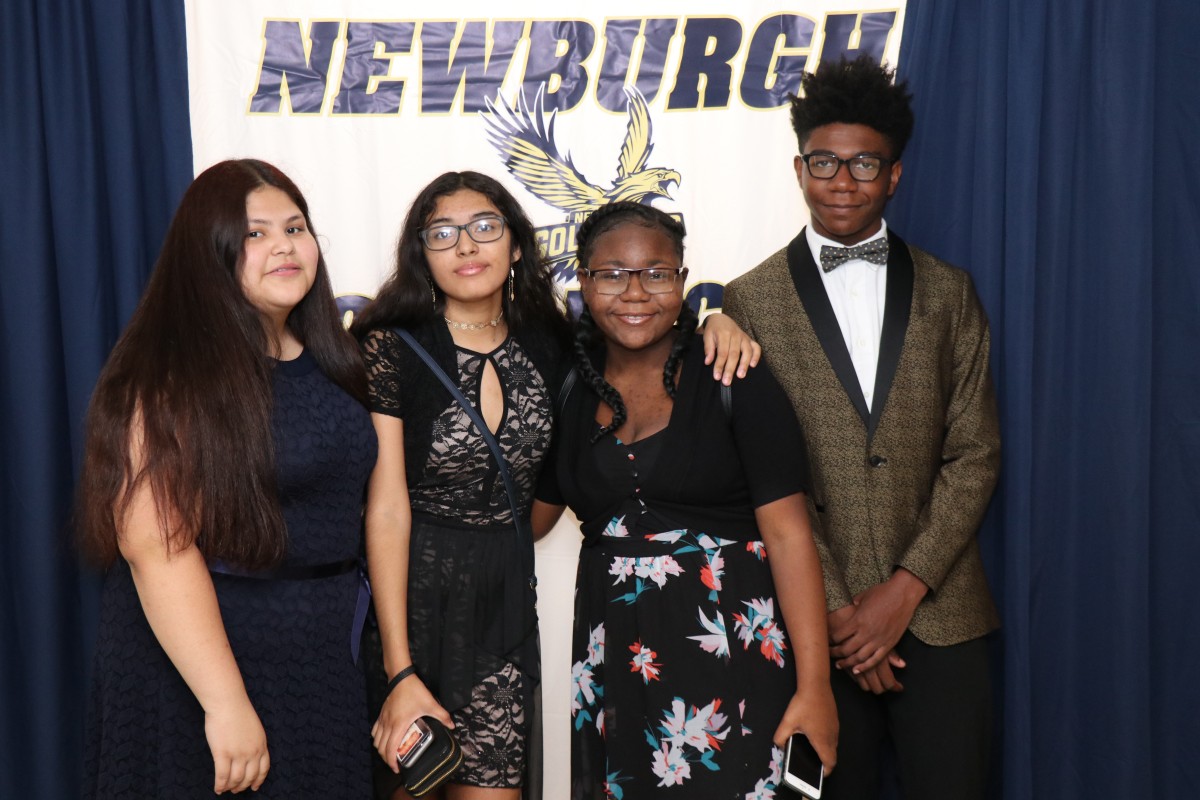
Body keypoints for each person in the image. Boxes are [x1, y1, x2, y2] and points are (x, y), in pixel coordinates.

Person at [351, 173, 758, 800]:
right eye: (443, 234)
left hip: (502, 612)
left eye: (485, 227)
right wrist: (398, 665)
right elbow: (385, 509)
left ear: (516, 245)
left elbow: (642, 331)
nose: (466, 246)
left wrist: (717, 322)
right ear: (421, 253)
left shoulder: (556, 349)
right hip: (409, 605)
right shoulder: (391, 349)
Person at [723, 56, 1002, 799]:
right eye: (825, 162)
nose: (842, 181)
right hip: (818, 627)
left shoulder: (950, 292)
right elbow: (765, 473)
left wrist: (901, 592)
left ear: (894, 174)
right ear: (798, 167)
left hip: (942, 617)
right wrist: (846, 614)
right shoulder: (748, 303)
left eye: (863, 164)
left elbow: (976, 454)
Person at [77, 159, 377, 797]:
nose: (283, 246)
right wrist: (225, 702)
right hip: (203, 672)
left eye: (295, 228)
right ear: (209, 254)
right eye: (254, 234)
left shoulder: (335, 360)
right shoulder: (167, 373)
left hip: (320, 663)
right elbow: (155, 545)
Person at [533, 201, 838, 800]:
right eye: (613, 274)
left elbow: (789, 536)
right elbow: (531, 521)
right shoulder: (570, 385)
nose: (635, 292)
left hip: (733, 652)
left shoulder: (732, 373)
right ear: (585, 282)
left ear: (682, 281)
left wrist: (816, 686)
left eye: (656, 272)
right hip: (617, 662)